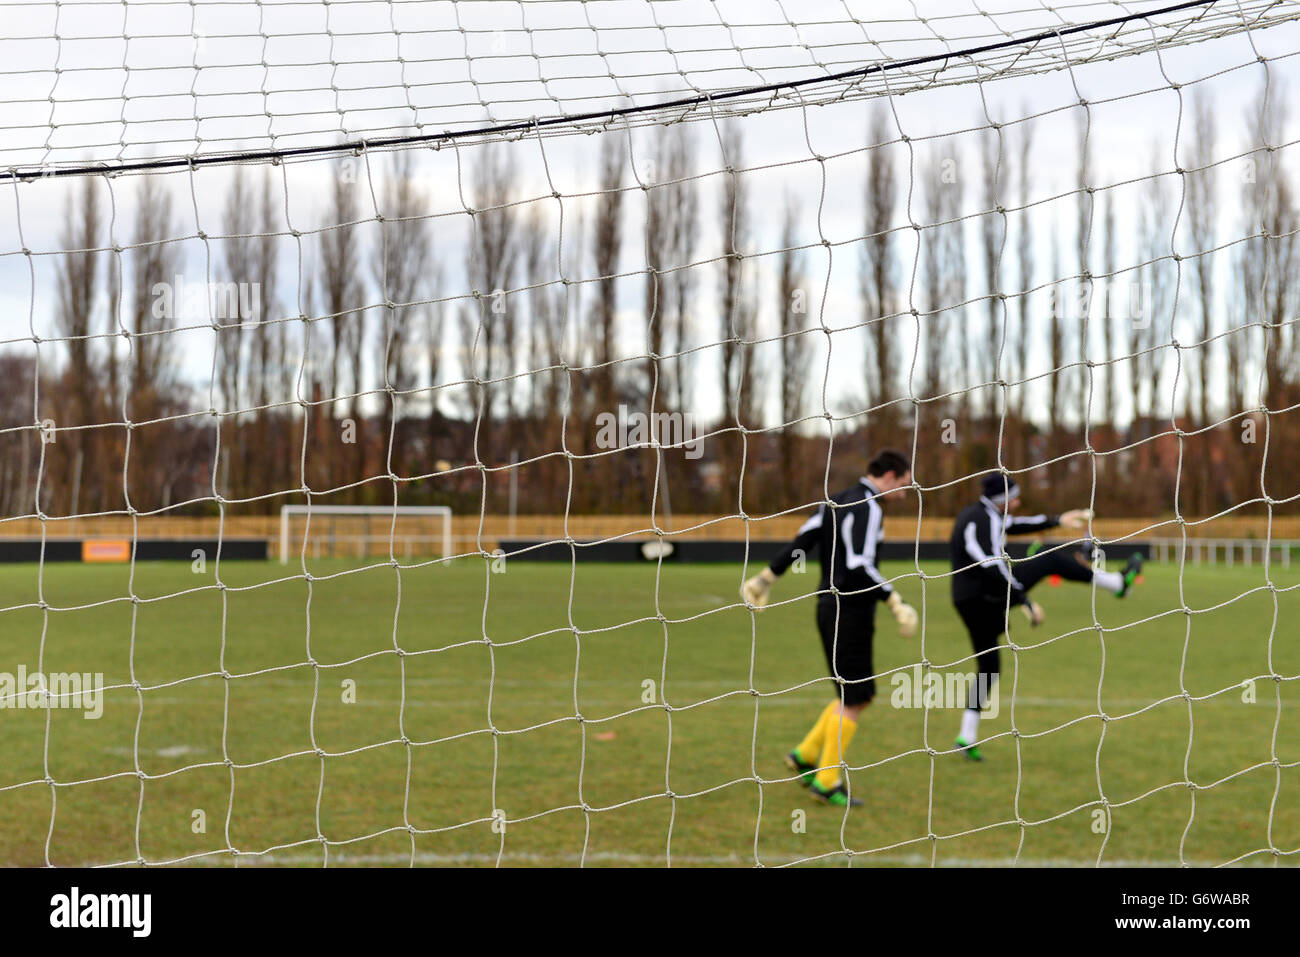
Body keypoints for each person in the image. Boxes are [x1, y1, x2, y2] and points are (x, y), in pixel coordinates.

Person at [742, 450, 919, 807]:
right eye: (904, 482)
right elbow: (858, 563)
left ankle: (805, 755)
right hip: (850, 610)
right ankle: (825, 781)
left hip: (828, 607)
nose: (906, 490)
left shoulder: (835, 500)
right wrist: (894, 599)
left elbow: (803, 542)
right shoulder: (869, 507)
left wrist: (766, 577)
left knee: (854, 695)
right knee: (856, 698)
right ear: (889, 476)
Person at [949, 472, 1144, 760]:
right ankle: (1117, 583)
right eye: (1013, 498)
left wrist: (1058, 520)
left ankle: (966, 736)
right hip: (985, 596)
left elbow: (1017, 526)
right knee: (1050, 560)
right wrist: (1023, 600)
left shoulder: (980, 514)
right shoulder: (983, 519)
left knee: (989, 666)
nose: (1017, 503)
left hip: (969, 600)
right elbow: (991, 565)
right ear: (1001, 500)